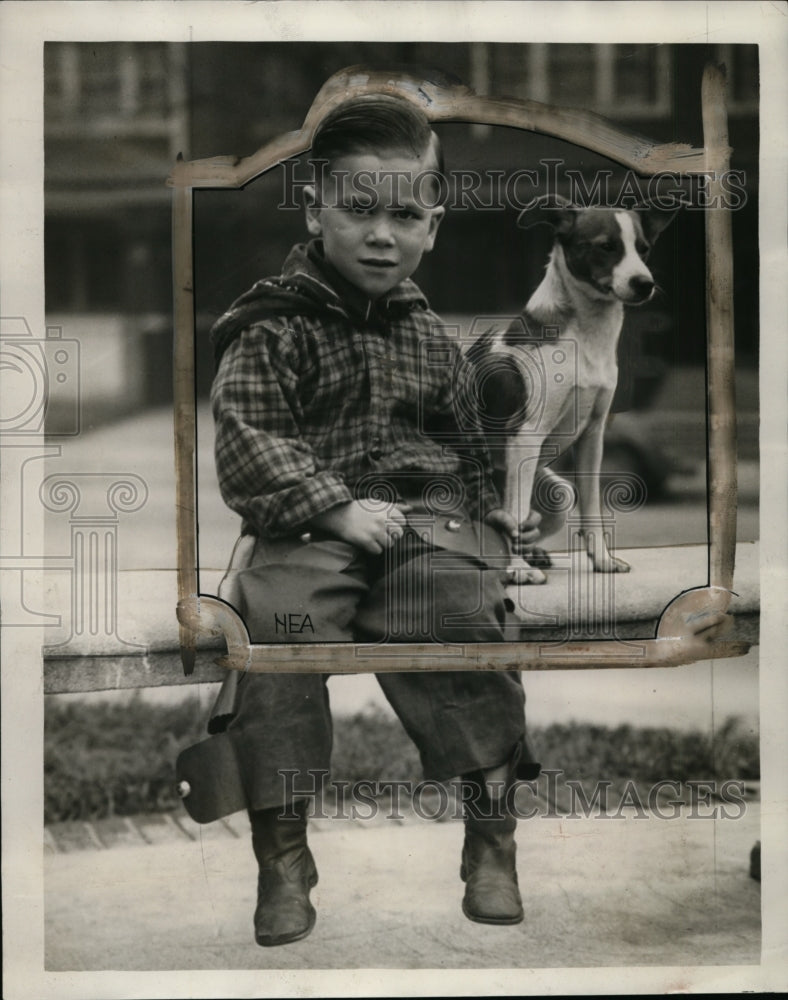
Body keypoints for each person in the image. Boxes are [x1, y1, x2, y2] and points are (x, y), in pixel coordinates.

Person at [207, 93, 542, 947]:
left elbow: (466, 449)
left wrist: (499, 523)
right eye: (357, 211)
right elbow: (248, 444)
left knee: (463, 614)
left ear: (433, 224)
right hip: (307, 529)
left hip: (424, 525)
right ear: (316, 209)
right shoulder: (272, 325)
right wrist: (334, 507)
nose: (381, 234)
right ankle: (282, 856)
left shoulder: (430, 336)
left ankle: (491, 839)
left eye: (405, 214)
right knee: (274, 633)